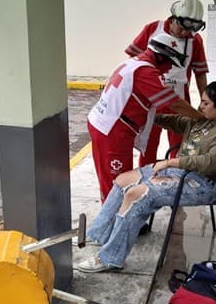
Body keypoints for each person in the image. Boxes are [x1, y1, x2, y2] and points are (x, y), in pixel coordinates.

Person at [77, 80, 216, 273]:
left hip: (203, 184)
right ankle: (99, 234)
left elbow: (210, 163)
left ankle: (110, 258)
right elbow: (176, 121)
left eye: (206, 103)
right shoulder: (206, 120)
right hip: (182, 173)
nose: (200, 106)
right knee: (122, 180)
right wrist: (147, 115)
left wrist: (170, 162)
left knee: (137, 195)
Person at [87, 33, 205, 202]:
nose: (170, 69)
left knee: (108, 175)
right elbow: (175, 104)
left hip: (103, 123)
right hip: (113, 130)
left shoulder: (134, 63)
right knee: (119, 179)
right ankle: (116, 219)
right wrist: (203, 119)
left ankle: (112, 215)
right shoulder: (145, 72)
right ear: (159, 57)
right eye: (170, 63)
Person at [126, 0, 209, 167]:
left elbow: (200, 73)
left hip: (179, 100)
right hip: (151, 99)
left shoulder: (196, 40)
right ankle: (146, 179)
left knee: (179, 146)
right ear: (173, 19)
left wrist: (205, 101)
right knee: (148, 145)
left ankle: (174, 180)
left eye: (189, 30)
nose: (184, 34)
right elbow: (133, 61)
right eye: (181, 28)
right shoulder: (152, 29)